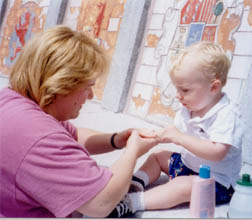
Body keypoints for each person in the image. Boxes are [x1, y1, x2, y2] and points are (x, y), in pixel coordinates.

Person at [0, 25, 158, 217]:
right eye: (88, 87)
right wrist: (134, 149)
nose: (90, 96)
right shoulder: (40, 137)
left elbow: (73, 135)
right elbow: (101, 201)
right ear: (61, 83)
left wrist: (117, 139)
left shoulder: (13, 100)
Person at [108, 41, 244, 217]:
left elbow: (217, 152)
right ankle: (134, 185)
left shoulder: (226, 114)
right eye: (177, 89)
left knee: (182, 186)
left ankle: (132, 202)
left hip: (215, 182)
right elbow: (177, 132)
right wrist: (159, 136)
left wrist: (179, 137)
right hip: (187, 165)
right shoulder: (190, 108)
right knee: (158, 157)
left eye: (185, 90)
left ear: (214, 87)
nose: (179, 96)